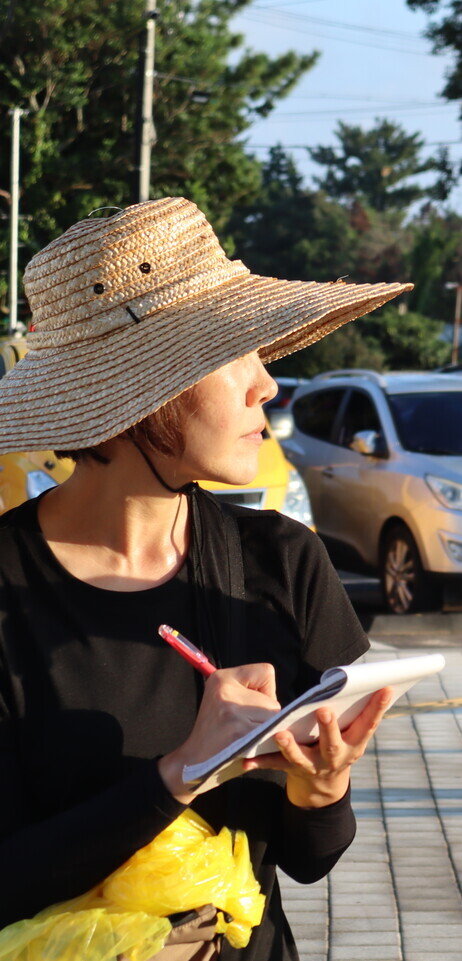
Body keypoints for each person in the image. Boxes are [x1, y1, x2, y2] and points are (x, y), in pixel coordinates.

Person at [0, 197, 413, 959]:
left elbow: (308, 857)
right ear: (137, 397)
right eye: (235, 356)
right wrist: (177, 774)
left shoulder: (282, 562)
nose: (269, 387)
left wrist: (323, 789)